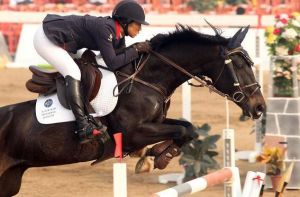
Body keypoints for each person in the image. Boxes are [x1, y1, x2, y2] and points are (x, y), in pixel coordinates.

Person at [33, 0, 151, 144]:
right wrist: (136, 49)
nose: (139, 28)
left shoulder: (118, 35)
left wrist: (137, 51)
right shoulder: (106, 29)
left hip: (67, 40)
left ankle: (88, 113)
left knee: (88, 66)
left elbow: (121, 59)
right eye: (138, 24)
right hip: (47, 38)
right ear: (126, 22)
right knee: (73, 72)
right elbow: (113, 63)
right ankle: (82, 125)